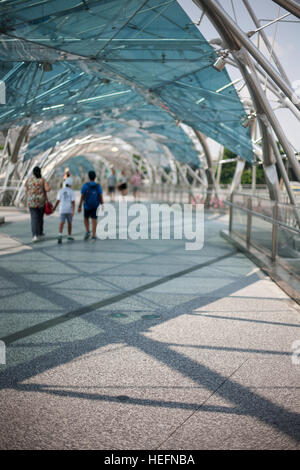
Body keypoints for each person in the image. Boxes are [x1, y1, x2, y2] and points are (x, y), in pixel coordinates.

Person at [25, 166, 51, 242]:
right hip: (41, 202)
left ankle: (34, 235)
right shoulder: (42, 180)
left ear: (33, 173)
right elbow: (47, 189)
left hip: (31, 202)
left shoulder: (29, 180)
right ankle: (39, 233)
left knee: (33, 218)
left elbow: (27, 188)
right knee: (40, 218)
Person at [78, 170, 103, 240]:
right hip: (95, 205)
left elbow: (82, 196)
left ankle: (87, 231)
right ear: (95, 177)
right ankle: (93, 235)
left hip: (87, 205)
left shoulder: (85, 186)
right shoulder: (98, 186)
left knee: (86, 218)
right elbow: (100, 196)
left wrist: (79, 206)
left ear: (89, 177)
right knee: (94, 219)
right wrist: (102, 204)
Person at [52, 177, 75, 244]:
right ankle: (69, 235)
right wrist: (73, 211)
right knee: (69, 223)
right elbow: (73, 202)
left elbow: (58, 200)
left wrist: (54, 207)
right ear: (71, 184)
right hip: (69, 209)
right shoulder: (71, 191)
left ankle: (60, 234)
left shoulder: (61, 191)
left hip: (62, 209)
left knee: (62, 222)